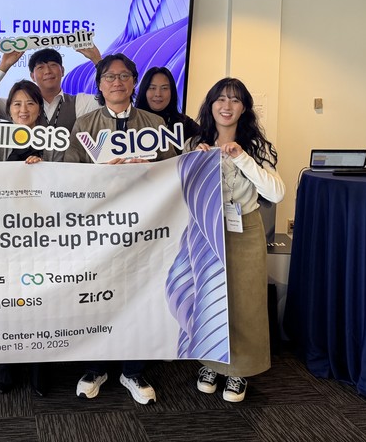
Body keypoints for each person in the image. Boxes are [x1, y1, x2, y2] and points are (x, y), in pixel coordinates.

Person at [65, 53, 176, 405]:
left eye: (124, 76)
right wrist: (99, 175)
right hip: (99, 227)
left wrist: (150, 170)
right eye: (110, 77)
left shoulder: (155, 123)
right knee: (97, 295)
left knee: (139, 294)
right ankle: (95, 368)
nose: (117, 82)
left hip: (144, 226)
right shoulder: (84, 125)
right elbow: (69, 174)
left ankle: (133, 370)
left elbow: (173, 173)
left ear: (133, 82)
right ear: (99, 84)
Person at [187, 77, 285, 403]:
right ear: (210, 104)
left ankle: (239, 370)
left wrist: (243, 157)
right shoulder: (195, 143)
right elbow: (181, 192)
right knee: (209, 298)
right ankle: (210, 364)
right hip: (206, 229)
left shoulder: (256, 146)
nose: (226, 106)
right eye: (221, 99)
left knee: (246, 300)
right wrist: (194, 163)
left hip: (245, 228)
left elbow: (276, 192)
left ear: (244, 108)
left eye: (235, 100)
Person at [0, 80, 50, 395]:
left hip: (45, 232)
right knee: (7, 299)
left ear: (40, 109)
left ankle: (40, 365)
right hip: (5, 232)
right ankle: (6, 364)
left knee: (41, 299)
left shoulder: (54, 139)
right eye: (16, 104)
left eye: (30, 103)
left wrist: (45, 170)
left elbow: (69, 182)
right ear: (8, 109)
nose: (23, 110)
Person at [135, 66, 200, 152]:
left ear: (172, 92)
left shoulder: (184, 123)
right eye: (152, 88)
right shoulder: (131, 121)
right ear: (144, 91)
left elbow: (209, 140)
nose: (158, 94)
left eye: (164, 88)